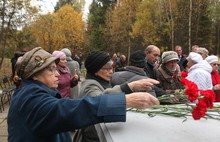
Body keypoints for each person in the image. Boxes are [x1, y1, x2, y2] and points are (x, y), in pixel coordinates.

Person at [7, 47, 159, 142]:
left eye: (56, 68)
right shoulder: (30, 99)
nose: (58, 74)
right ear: (34, 75)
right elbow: (70, 110)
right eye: (51, 69)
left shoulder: (29, 92)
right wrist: (124, 100)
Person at [76, 50, 160, 142]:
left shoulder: (102, 82)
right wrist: (128, 90)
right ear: (95, 70)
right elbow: (99, 101)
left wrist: (131, 86)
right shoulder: (90, 85)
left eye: (111, 68)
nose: (111, 71)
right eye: (107, 68)